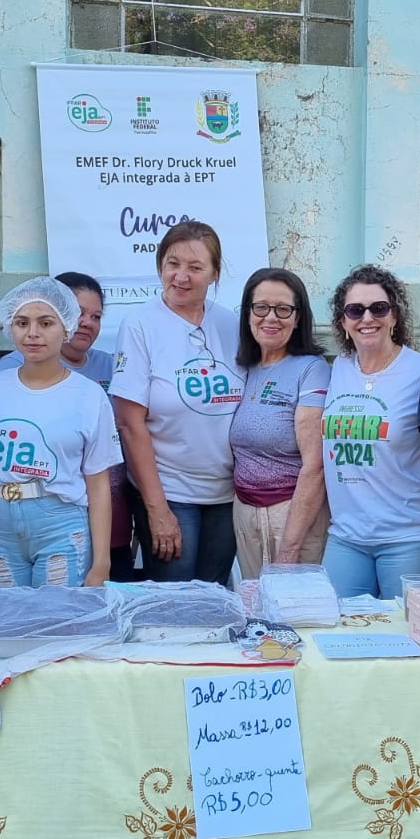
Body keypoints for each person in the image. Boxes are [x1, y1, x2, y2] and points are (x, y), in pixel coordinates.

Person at [0, 278, 122, 588]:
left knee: (56, 615)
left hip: (62, 525)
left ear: (67, 327)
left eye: (46, 323)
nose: (33, 333)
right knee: (8, 615)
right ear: (10, 327)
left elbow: (98, 484)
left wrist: (101, 563)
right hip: (0, 528)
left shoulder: (89, 396)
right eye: (22, 323)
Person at [111, 221, 243, 583]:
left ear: (215, 273)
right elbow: (129, 424)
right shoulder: (140, 325)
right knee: (175, 602)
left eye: (195, 267)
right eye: (172, 264)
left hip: (227, 495)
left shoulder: (231, 324)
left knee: (215, 595)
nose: (181, 276)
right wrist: (157, 509)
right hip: (170, 493)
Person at [319, 265, 420, 599]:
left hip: (408, 537)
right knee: (334, 625)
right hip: (346, 537)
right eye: (355, 310)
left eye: (378, 308)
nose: (367, 318)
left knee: (407, 629)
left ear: (394, 316)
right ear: (343, 321)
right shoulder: (337, 369)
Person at [229, 267, 330, 578]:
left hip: (292, 514)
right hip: (244, 512)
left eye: (283, 309)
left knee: (293, 604)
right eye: (261, 307)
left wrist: (290, 547)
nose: (271, 317)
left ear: (298, 318)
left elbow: (315, 466)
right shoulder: (242, 368)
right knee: (254, 602)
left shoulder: (311, 369)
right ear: (248, 314)